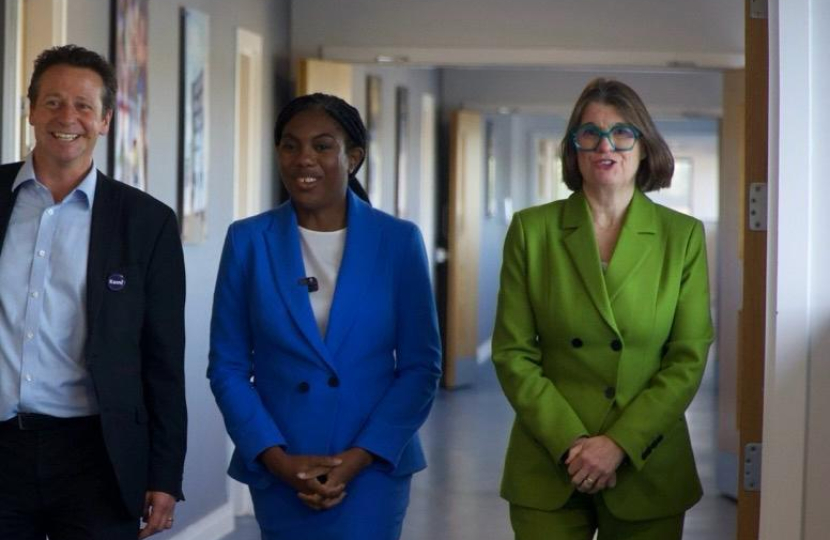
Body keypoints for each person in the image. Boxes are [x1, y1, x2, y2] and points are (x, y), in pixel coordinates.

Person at [208, 93, 442, 539]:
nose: (304, 159)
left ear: (352, 158)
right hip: (282, 463)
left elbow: (420, 367)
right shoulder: (248, 241)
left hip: (372, 462)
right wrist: (276, 459)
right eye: (290, 146)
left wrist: (357, 459)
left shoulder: (397, 242)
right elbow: (228, 367)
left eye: (322, 146)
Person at [491, 78, 714, 539]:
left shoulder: (682, 236)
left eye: (622, 133)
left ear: (644, 145)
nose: (605, 145)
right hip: (549, 461)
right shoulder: (533, 231)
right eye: (589, 133)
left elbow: (687, 358)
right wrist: (573, 444)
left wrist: (618, 444)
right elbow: (513, 352)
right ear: (573, 149)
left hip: (646, 459)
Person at [0, 45, 186, 539]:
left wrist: (165, 474)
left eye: (84, 106)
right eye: (53, 102)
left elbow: (163, 359)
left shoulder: (148, 223)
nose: (68, 117)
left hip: (97, 456)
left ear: (105, 120)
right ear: (32, 111)